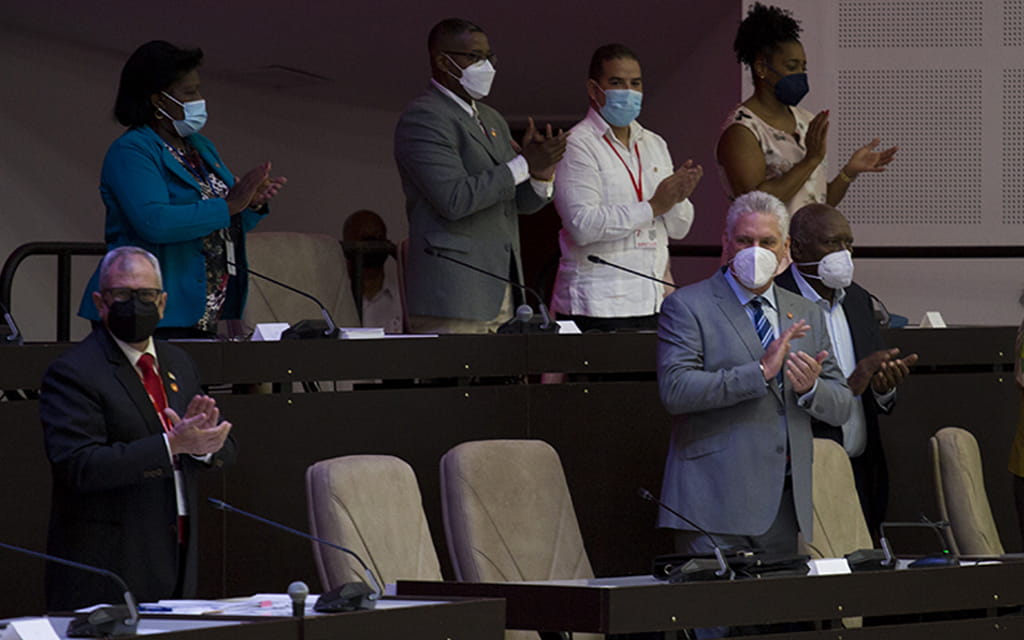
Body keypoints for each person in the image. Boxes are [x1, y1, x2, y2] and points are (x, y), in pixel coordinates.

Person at [656, 191, 853, 562]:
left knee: (773, 617)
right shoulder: (687, 305)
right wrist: (760, 372)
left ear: (786, 248)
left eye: (767, 242)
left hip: (783, 503)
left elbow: (842, 404)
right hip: (711, 503)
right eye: (745, 240)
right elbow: (676, 390)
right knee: (715, 617)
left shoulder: (806, 312)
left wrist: (811, 389)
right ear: (727, 243)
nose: (755, 251)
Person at [43, 247, 236, 610]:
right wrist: (171, 445)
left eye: (146, 295)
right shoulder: (74, 372)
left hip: (177, 556)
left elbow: (223, 446)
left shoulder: (179, 362)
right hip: (109, 568)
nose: (136, 303)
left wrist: (205, 445)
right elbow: (78, 466)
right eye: (123, 295)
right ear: (101, 303)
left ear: (162, 303)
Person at [78, 40, 287, 339]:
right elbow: (155, 222)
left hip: (206, 309)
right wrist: (229, 205)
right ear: (158, 101)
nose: (199, 99)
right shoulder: (132, 150)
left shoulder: (200, 147)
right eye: (189, 93)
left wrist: (249, 204)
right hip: (146, 309)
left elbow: (223, 217)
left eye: (198, 90)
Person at [395, 18, 568, 334]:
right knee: (456, 383)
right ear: (441, 60)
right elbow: (454, 200)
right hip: (453, 293)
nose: (485, 65)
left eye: (489, 56)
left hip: (503, 290)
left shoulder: (492, 118)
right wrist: (522, 165)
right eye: (474, 56)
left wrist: (541, 173)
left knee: (502, 383)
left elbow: (519, 203)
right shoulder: (424, 117)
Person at [776, 203, 917, 533]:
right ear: (797, 247)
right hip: (801, 473)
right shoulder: (776, 299)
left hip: (861, 466)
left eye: (848, 243)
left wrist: (883, 388)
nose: (843, 253)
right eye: (831, 243)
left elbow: (872, 380)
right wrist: (852, 382)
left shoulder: (857, 299)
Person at [550, 44, 702, 332]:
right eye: (617, 83)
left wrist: (678, 198)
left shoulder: (654, 143)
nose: (628, 91)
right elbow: (582, 225)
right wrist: (653, 207)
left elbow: (680, 229)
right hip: (596, 305)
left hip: (653, 298)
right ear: (594, 90)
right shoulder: (577, 144)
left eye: (636, 83)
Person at [716, 3, 897, 214]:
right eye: (792, 67)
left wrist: (849, 172)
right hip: (768, 246)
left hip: (811, 245)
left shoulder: (806, 120)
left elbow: (817, 201)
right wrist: (811, 159)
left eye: (803, 68)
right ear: (762, 68)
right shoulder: (742, 130)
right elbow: (757, 205)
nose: (800, 75)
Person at [342, 209, 403, 333]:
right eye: (365, 239)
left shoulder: (402, 300)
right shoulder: (338, 300)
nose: (370, 248)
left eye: (378, 238)